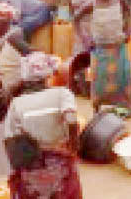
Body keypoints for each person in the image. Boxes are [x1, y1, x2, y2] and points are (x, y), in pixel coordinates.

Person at [4, 53, 82, 199]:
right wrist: (74, 145)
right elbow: (71, 119)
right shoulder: (62, 93)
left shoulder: (17, 103)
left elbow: (10, 139)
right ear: (48, 76)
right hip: (60, 162)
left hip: (32, 166)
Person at [74, 0, 131, 115]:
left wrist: (128, 30)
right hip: (100, 48)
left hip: (118, 45)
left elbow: (128, 12)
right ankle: (97, 108)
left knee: (125, 75)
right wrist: (84, 38)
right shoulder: (92, 3)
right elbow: (76, 18)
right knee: (99, 79)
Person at [0, 1, 31, 177]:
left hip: (8, 109)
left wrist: (15, 84)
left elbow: (40, 61)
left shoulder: (13, 39)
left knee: (7, 168)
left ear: (3, 23)